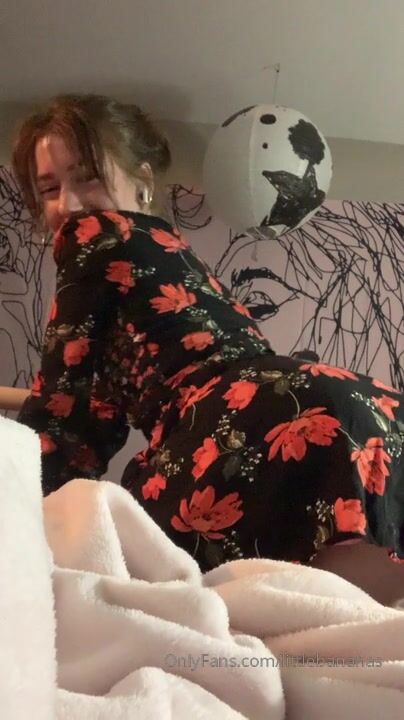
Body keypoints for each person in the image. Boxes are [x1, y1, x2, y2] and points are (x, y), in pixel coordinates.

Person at [12, 94, 404, 600]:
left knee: (146, 579)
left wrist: (24, 520)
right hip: (351, 407)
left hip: (248, 424)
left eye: (87, 177)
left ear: (143, 181)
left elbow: (65, 410)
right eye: (49, 189)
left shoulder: (94, 235)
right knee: (345, 619)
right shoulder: (174, 255)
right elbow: (99, 409)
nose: (68, 204)